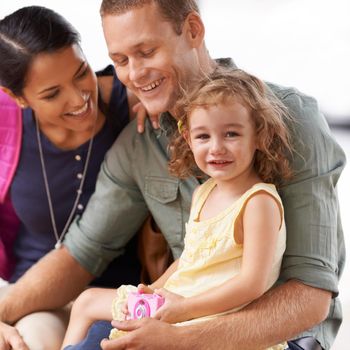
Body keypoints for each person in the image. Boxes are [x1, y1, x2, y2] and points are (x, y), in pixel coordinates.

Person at [0, 1, 345, 350]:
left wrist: (181, 338)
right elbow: (82, 253)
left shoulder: (290, 119)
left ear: (193, 30)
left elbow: (310, 297)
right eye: (121, 61)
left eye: (146, 52)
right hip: (175, 325)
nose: (134, 74)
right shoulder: (138, 146)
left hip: (278, 339)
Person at [61, 68, 294, 350]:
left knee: (112, 337)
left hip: (213, 317)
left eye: (231, 134)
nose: (216, 148)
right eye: (203, 137)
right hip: (180, 300)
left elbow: (252, 284)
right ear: (187, 139)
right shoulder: (202, 192)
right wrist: (155, 288)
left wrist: (184, 308)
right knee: (87, 302)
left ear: (258, 135)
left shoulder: (258, 203)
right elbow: (189, 259)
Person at [0, 5, 154, 350]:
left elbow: (217, 82)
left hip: (119, 297)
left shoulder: (131, 105)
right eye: (52, 94)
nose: (79, 98)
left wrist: (163, 100)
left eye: (81, 73)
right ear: (17, 97)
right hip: (32, 297)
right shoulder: (4, 122)